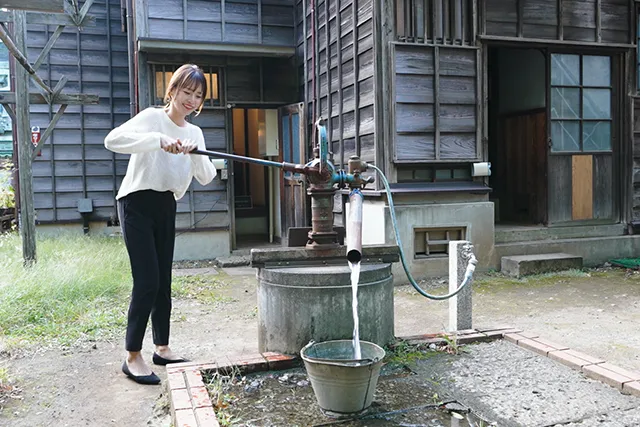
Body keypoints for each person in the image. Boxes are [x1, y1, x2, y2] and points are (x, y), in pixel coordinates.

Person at [104, 64, 217, 385]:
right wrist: (156, 140)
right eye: (186, 92)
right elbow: (112, 140)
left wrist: (194, 153)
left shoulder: (194, 132)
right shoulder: (152, 118)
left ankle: (162, 348)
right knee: (147, 280)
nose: (191, 100)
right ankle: (132, 356)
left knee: (163, 280)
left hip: (166, 205)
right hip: (136, 202)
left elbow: (206, 176)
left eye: (198, 95)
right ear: (172, 90)